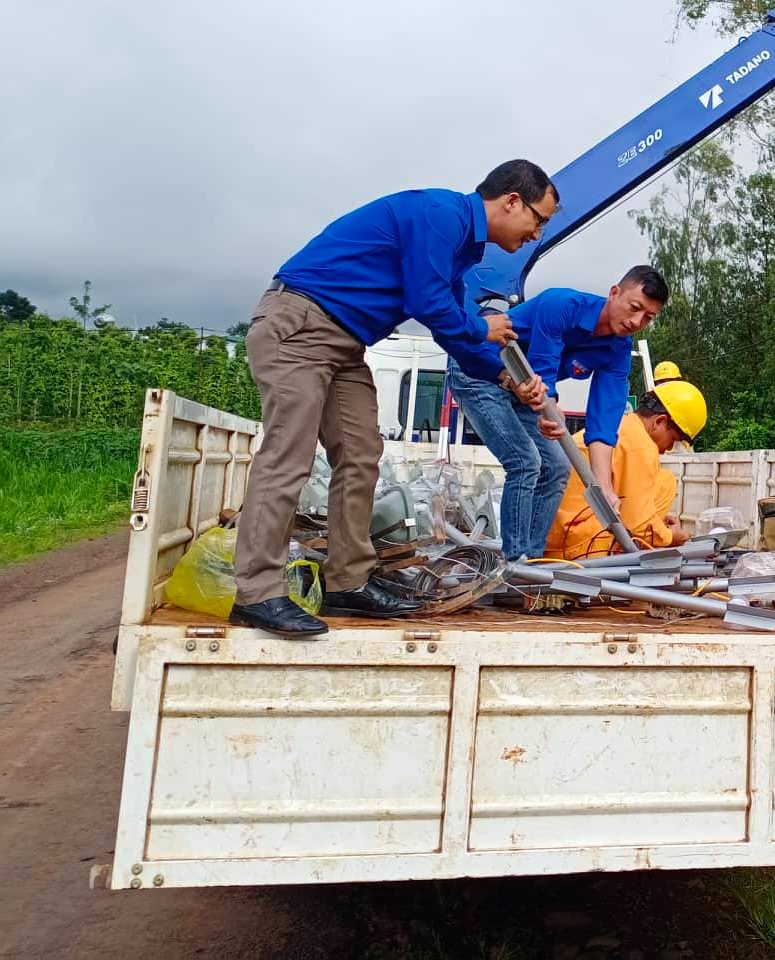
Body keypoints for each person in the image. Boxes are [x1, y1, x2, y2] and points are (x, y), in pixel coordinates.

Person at [229, 160, 557, 637]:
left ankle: (348, 582)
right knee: (289, 456)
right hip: (299, 325)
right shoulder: (441, 214)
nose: (537, 234)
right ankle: (257, 592)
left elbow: (455, 334)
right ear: (511, 201)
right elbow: (430, 304)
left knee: (361, 456)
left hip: (344, 344)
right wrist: (481, 327)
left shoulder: (461, 250)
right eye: (538, 219)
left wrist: (508, 382)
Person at [452, 267, 670, 562]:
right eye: (634, 308)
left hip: (526, 390)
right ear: (614, 292)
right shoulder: (562, 306)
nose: (636, 321)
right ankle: (514, 565)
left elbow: (603, 421)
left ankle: (534, 560)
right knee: (525, 461)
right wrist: (549, 411)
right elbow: (544, 367)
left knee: (556, 467)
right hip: (480, 371)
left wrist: (604, 487)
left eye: (648, 317)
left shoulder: (618, 349)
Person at [544, 379, 708, 559]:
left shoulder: (622, 427)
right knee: (662, 489)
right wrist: (671, 537)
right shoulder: (641, 446)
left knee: (664, 481)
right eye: (674, 439)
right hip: (572, 545)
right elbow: (636, 523)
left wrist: (656, 524)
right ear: (659, 421)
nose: (669, 448)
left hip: (554, 534)